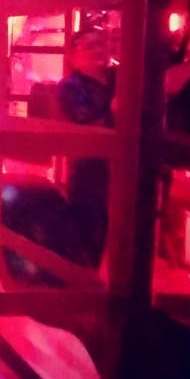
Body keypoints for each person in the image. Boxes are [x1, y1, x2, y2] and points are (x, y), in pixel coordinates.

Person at [57, 28, 115, 266]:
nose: (98, 50)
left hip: (122, 171)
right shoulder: (70, 87)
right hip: (89, 170)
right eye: (89, 46)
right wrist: (115, 109)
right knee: (90, 230)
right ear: (73, 57)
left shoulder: (119, 80)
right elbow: (84, 121)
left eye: (101, 44)